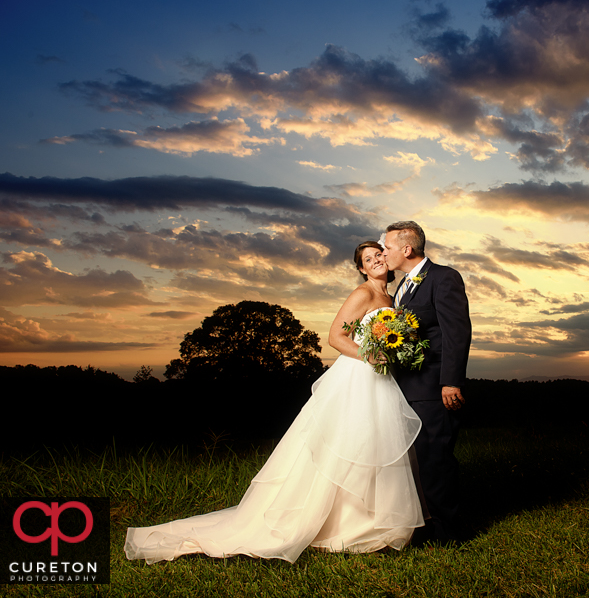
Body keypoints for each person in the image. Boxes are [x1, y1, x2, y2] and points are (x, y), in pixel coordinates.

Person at [124, 242, 424, 564]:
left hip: (381, 378)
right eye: (369, 259)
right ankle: (340, 525)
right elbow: (336, 337)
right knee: (349, 443)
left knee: (376, 443)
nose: (377, 260)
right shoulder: (362, 294)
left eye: (379, 254)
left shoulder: (392, 298)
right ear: (362, 268)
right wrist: (369, 354)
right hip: (358, 377)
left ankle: (371, 523)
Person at [382, 221, 471, 544]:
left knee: (436, 458)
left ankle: (450, 534)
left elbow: (456, 333)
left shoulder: (443, 278)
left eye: (388, 247)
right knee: (416, 461)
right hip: (406, 387)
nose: (384, 253)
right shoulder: (402, 287)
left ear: (407, 249)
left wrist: (450, 382)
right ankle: (424, 525)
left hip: (434, 389)